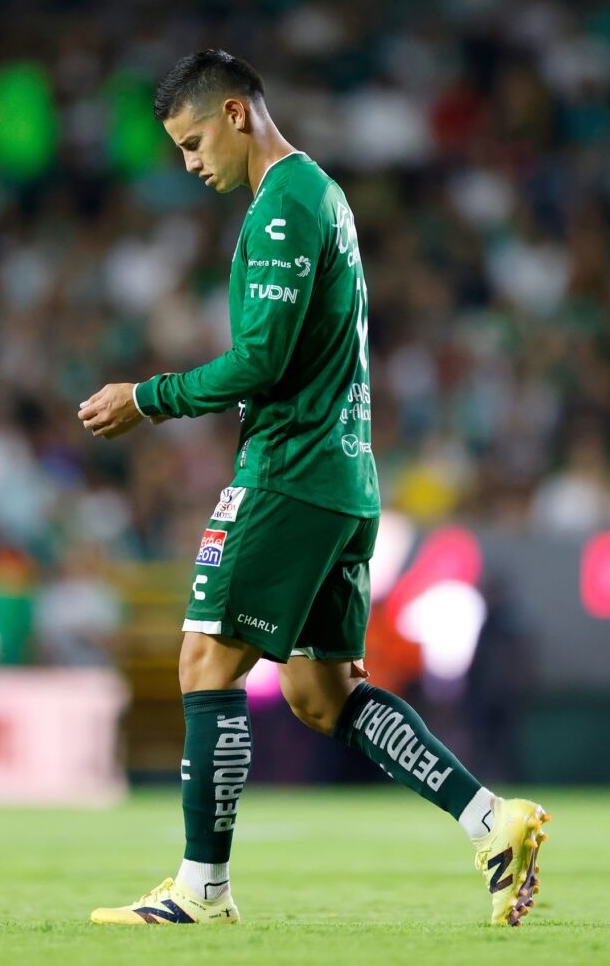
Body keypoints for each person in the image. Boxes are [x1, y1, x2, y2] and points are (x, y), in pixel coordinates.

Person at [78, 49, 549, 928]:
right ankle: (494, 822)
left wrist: (148, 399)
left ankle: (200, 889)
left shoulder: (287, 204)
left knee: (203, 659)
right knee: (317, 694)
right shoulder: (316, 195)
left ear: (233, 115)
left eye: (190, 144)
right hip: (345, 478)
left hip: (292, 470)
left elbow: (263, 359)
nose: (190, 166)